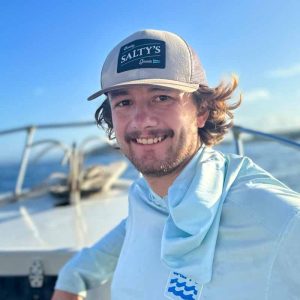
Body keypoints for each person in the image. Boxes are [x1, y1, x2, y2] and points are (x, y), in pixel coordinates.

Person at [52, 29, 300, 300]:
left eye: (161, 98)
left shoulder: (275, 217)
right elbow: (86, 265)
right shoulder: (147, 200)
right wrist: (69, 281)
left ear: (201, 111)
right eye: (124, 102)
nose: (141, 120)